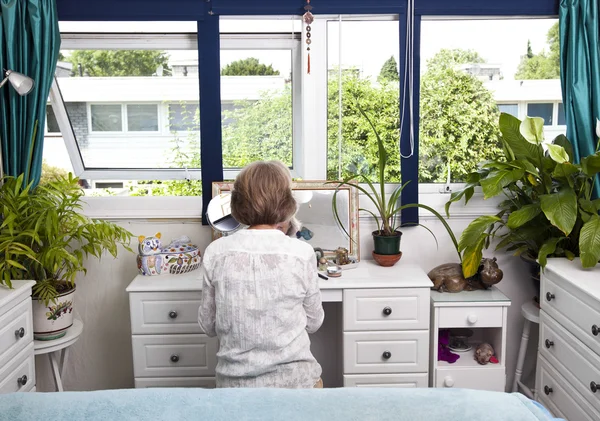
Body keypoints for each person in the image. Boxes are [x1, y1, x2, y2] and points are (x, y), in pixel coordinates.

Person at [198, 160, 324, 388]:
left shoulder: (216, 252)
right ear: (287, 202)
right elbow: (314, 323)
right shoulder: (302, 253)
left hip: (234, 387)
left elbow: (207, 325)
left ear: (238, 203)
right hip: (295, 384)